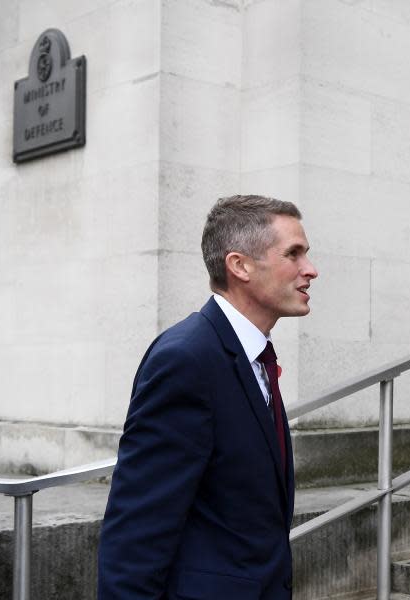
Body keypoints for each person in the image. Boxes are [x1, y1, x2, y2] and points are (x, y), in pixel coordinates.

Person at [98, 195, 318, 599]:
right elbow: (138, 531)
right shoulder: (187, 360)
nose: (311, 270)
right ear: (240, 265)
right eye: (294, 254)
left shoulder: (252, 355)